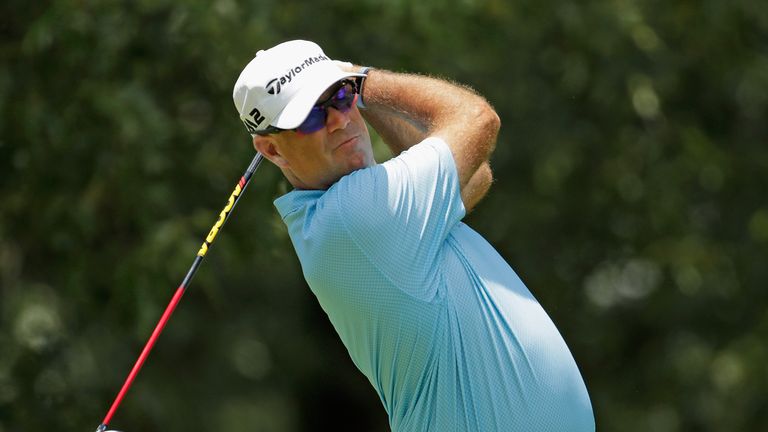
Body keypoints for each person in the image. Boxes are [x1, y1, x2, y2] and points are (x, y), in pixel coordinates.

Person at [233, 39, 595, 431]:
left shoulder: (360, 214)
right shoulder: (354, 218)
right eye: (310, 117)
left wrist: (356, 91)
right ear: (271, 149)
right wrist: (365, 81)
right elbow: (476, 119)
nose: (338, 119)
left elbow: (476, 176)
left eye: (339, 97)